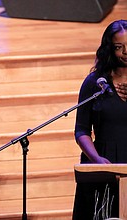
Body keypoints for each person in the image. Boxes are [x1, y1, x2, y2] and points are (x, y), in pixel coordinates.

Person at [72, 19, 127, 220]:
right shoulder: (96, 83)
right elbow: (81, 130)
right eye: (119, 47)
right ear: (109, 49)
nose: (126, 52)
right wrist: (97, 162)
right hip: (104, 161)